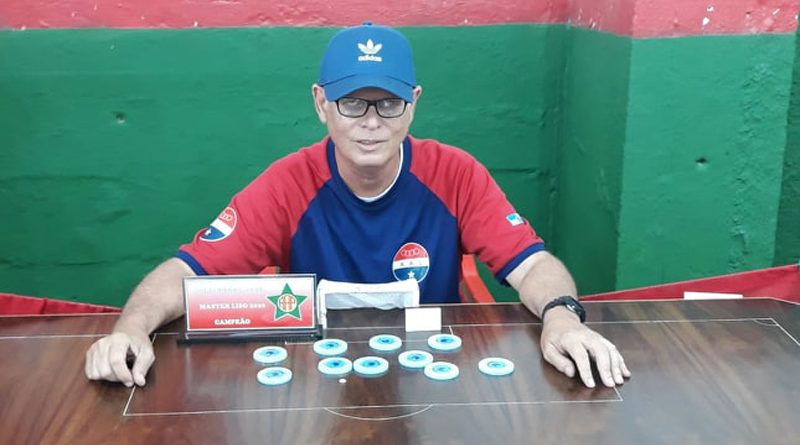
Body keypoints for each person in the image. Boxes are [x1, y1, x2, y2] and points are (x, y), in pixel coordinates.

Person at [85, 22, 630, 389]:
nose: (371, 123)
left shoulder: (455, 173)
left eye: (388, 102)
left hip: (430, 372)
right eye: (352, 102)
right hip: (315, 376)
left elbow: (532, 264)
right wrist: (130, 329)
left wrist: (564, 318)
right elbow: (187, 271)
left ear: (413, 104)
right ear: (321, 103)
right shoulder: (287, 182)